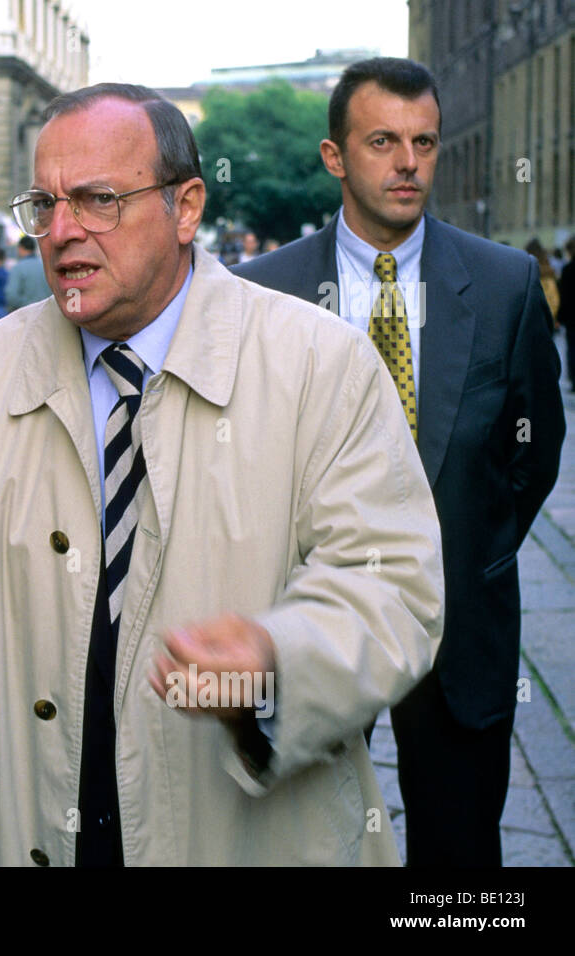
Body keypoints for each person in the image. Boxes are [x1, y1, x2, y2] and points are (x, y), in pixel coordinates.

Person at [0, 82, 445, 866]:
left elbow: (393, 585)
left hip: (250, 829)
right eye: (44, 205)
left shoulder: (321, 365)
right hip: (36, 823)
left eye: (97, 200)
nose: (60, 233)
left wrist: (275, 656)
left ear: (186, 207)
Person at [235, 57, 565, 866]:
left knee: (459, 862)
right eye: (383, 141)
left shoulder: (504, 285)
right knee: (302, 844)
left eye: (425, 142)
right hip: (313, 620)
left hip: (457, 629)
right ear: (335, 156)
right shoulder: (261, 294)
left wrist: (470, 545)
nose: (408, 162)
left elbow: (536, 451)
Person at [5, 234, 53, 312]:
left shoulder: (18, 268)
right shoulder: (46, 265)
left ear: (20, 248)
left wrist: (27, 303)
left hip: (26, 314)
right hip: (47, 312)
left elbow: (11, 296)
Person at [525, 238, 560, 331]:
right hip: (548, 317)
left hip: (535, 317)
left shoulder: (529, 272)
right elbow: (554, 298)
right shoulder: (549, 270)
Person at [559, 237, 575, 390]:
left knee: (572, 347)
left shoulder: (568, 269)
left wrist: (561, 315)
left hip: (571, 315)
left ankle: (573, 378)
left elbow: (564, 294)